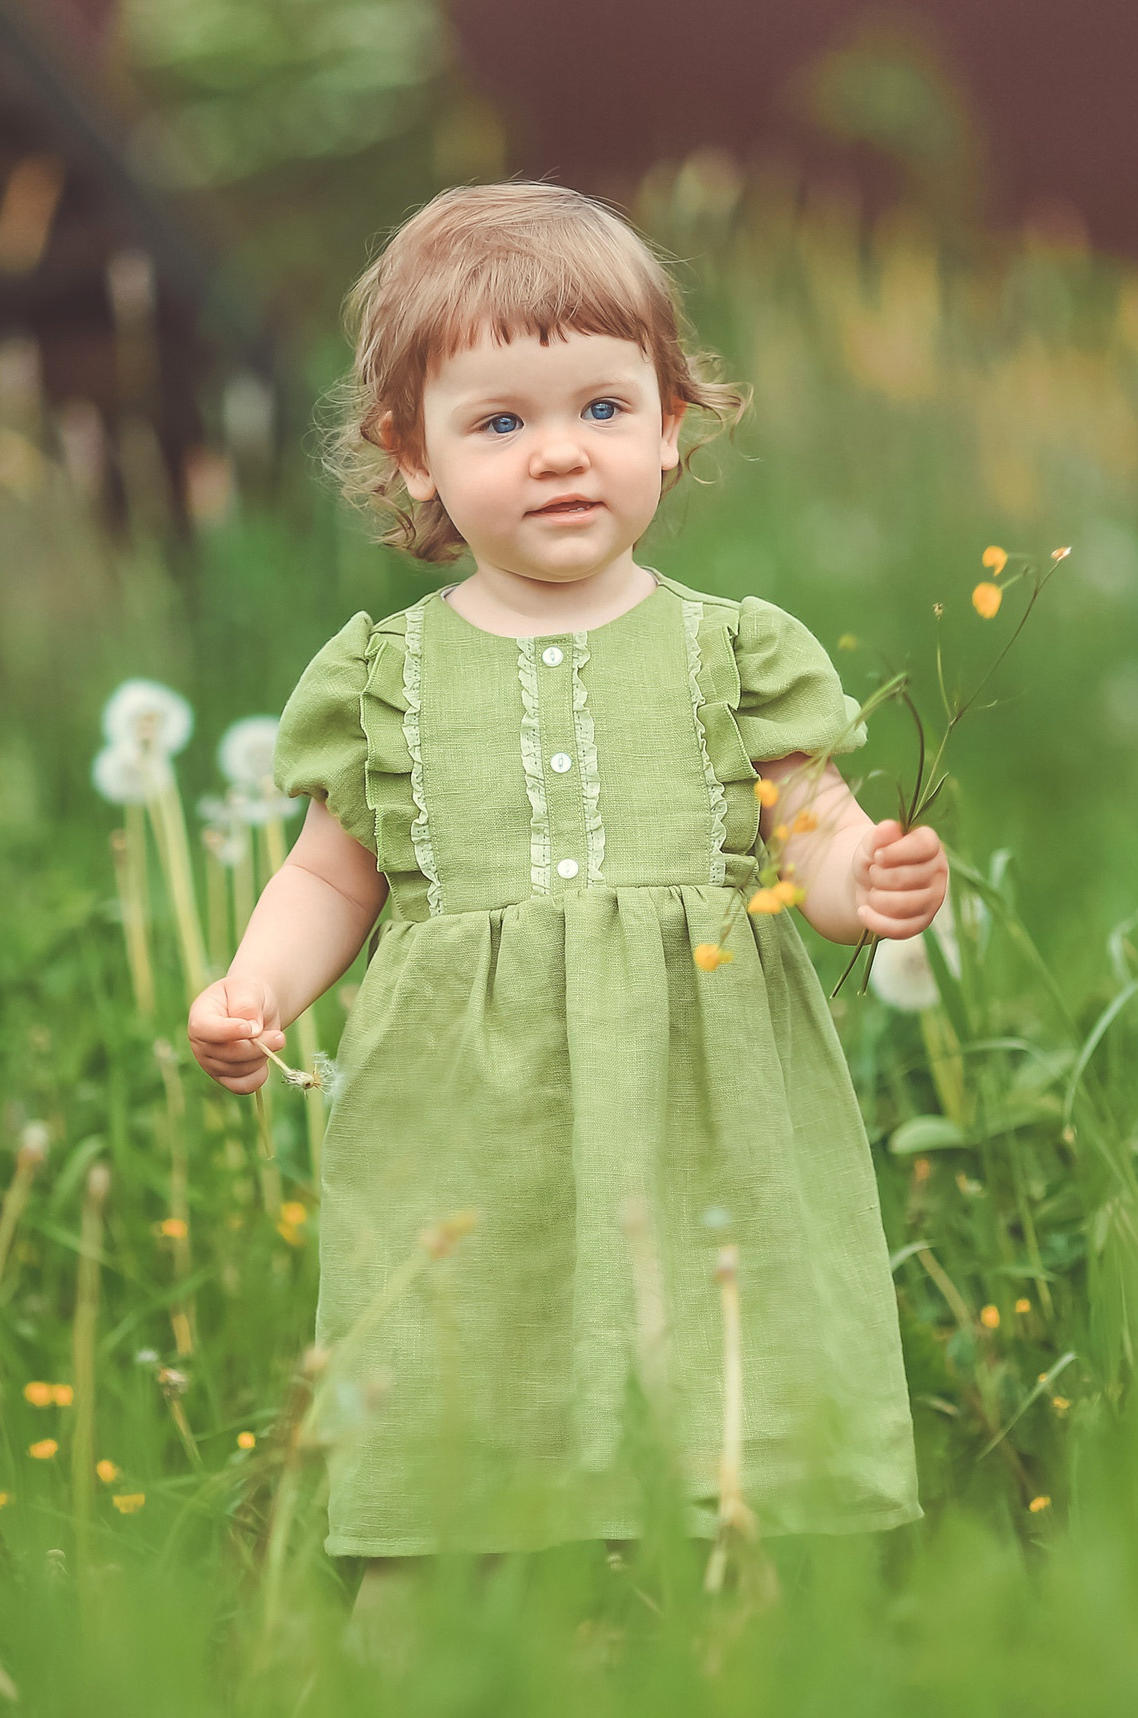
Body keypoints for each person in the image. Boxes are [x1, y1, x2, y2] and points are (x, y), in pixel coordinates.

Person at [185, 181, 946, 1657]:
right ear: (411, 453)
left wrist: (867, 887)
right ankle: (430, 1650)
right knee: (460, 1376)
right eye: (499, 423)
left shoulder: (735, 651)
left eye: (602, 407)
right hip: (468, 1127)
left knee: (740, 1393)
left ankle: (757, 1651)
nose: (559, 457)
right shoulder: (384, 679)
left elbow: (817, 833)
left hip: (711, 1108)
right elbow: (331, 878)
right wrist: (253, 986)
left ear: (672, 422)